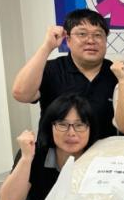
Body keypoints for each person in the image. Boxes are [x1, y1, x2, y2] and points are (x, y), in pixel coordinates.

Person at [12, 8, 117, 139]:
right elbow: (21, 94)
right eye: (82, 34)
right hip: (56, 151)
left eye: (98, 35)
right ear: (68, 40)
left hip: (105, 150)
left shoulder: (116, 73)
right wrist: (47, 46)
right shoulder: (51, 69)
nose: (91, 40)